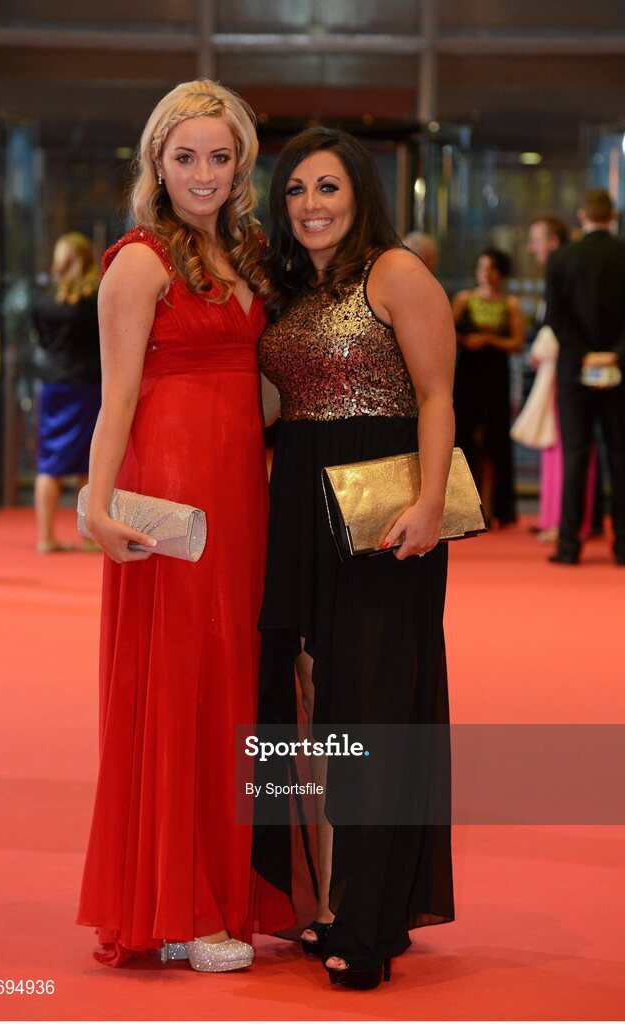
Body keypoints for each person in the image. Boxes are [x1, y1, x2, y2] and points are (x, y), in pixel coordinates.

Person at [76, 79, 279, 971]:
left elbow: (265, 389)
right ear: (157, 162)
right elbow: (116, 397)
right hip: (171, 496)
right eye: (186, 155)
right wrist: (96, 503)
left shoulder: (246, 253)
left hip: (241, 495)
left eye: (220, 156)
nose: (204, 172)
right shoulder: (139, 260)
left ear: (241, 166)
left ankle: (219, 891)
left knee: (231, 682)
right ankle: (184, 906)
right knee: (179, 686)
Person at [255, 126, 455, 990]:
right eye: (296, 189)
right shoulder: (290, 291)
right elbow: (267, 405)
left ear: (359, 193)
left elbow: (438, 395)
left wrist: (430, 504)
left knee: (376, 708)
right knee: (312, 703)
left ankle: (369, 923)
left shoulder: (396, 272)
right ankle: (331, 897)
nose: (311, 204)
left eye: (327, 187)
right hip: (299, 508)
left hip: (382, 515)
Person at [545, 188, 625, 565]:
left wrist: (583, 354)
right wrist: (614, 354)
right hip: (621, 372)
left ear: (581, 216)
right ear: (613, 217)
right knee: (621, 457)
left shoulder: (562, 258)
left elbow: (555, 317)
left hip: (574, 372)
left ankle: (568, 545)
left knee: (576, 457)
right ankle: (623, 546)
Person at [523, 217, 597, 543]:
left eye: (536, 240)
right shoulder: (563, 273)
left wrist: (548, 349)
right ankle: (557, 518)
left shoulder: (566, 273)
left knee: (570, 448)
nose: (531, 248)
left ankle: (569, 522)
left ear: (553, 242)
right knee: (562, 448)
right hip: (561, 372)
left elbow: (559, 324)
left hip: (566, 372)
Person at [32, 232, 101, 553]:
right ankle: (87, 536)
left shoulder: (44, 300)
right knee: (89, 463)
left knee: (49, 462)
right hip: (89, 385)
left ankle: (45, 536)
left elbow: (42, 340)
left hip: (54, 385)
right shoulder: (95, 300)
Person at [452, 249, 524, 526]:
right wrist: (467, 340)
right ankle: (464, 507)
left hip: (496, 376)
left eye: (491, 267)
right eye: (482, 266)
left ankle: (494, 506)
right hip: (468, 374)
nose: (485, 273)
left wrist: (488, 340)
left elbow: (517, 343)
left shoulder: (510, 304)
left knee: (496, 442)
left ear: (501, 272)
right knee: (464, 439)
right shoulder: (464, 299)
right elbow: (447, 331)